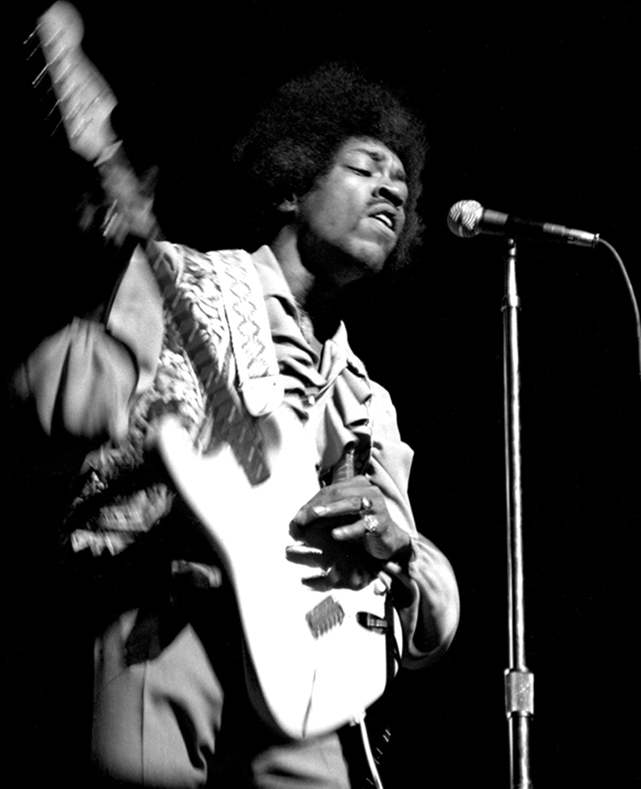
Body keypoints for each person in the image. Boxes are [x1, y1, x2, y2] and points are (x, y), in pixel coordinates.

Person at [15, 61, 459, 788]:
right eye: (365, 169)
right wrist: (87, 377)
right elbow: (62, 414)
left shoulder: (366, 401)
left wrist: (397, 548)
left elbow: (426, 625)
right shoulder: (181, 283)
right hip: (170, 628)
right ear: (292, 182)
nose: (393, 191)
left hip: (310, 678)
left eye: (400, 187)